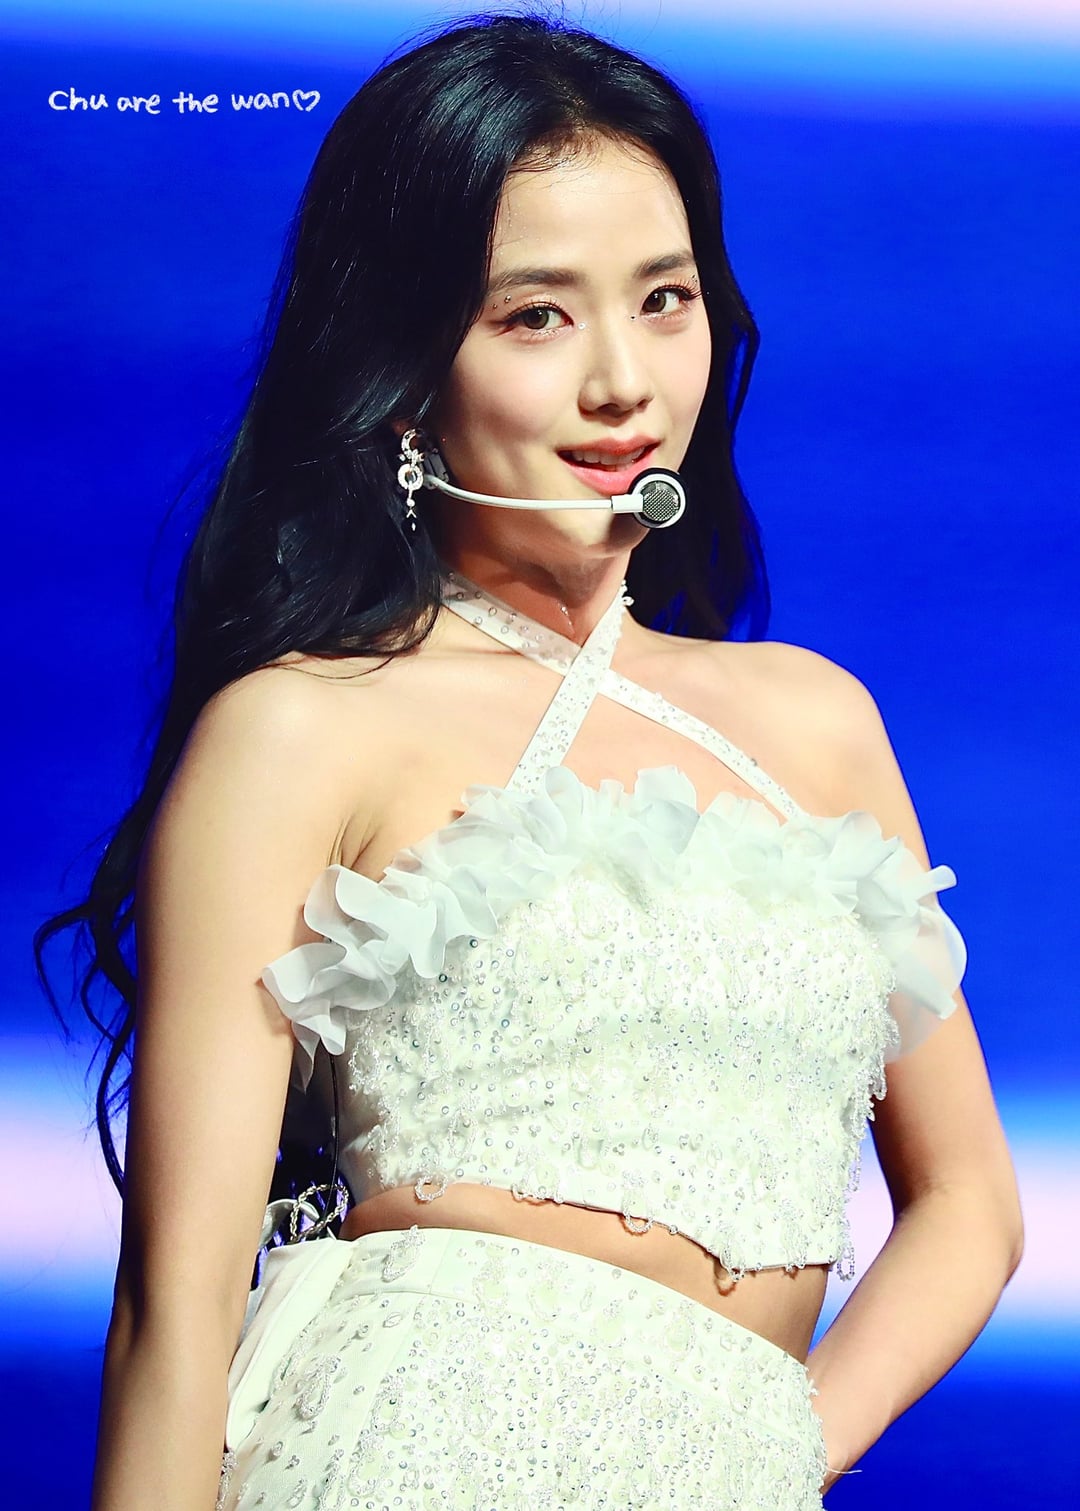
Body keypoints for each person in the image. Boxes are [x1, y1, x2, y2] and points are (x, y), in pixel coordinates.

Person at [38, 13, 1023, 1510]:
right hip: (405, 1452)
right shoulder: (304, 727)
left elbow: (969, 1206)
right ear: (400, 369)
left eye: (667, 299)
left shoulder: (815, 720)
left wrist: (763, 1450)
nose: (624, 382)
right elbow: (175, 1315)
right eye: (535, 317)